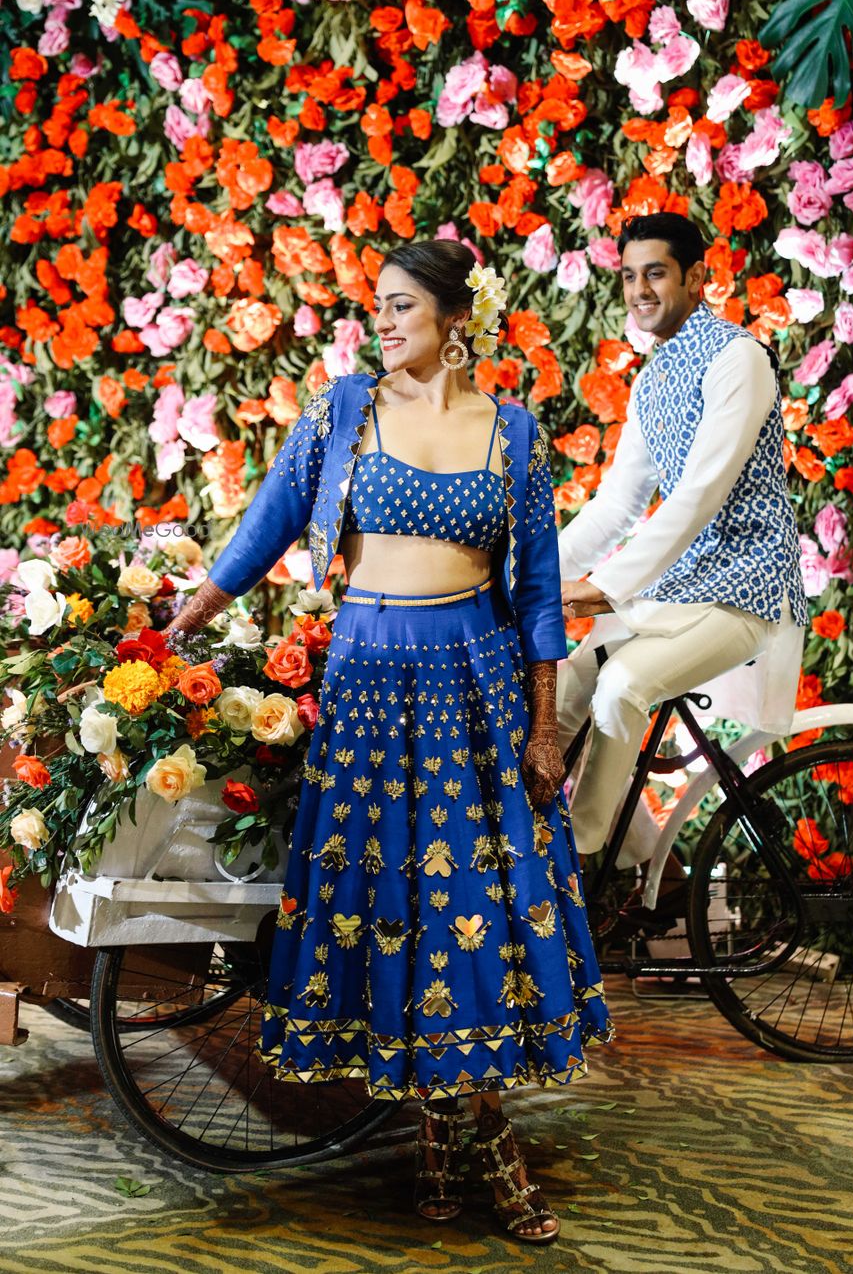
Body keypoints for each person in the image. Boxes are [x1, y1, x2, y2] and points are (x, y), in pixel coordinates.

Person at [166, 239, 612, 1246]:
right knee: (394, 906)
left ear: (458, 319)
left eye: (404, 307)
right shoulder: (341, 414)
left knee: (477, 914)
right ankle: (434, 1132)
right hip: (367, 690)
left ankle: (489, 1143)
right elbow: (267, 523)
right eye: (379, 307)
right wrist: (185, 622)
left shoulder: (513, 434)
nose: (386, 325)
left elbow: (538, 591)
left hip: (477, 691)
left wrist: (544, 726)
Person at [557, 212, 809, 894]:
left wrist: (603, 587)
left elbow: (699, 494)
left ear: (698, 277)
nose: (640, 289)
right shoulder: (652, 379)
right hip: (682, 588)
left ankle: (574, 870)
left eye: (656, 273)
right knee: (562, 692)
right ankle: (646, 873)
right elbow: (616, 505)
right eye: (630, 276)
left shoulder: (740, 359)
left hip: (749, 587)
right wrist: (537, 573)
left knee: (623, 685)